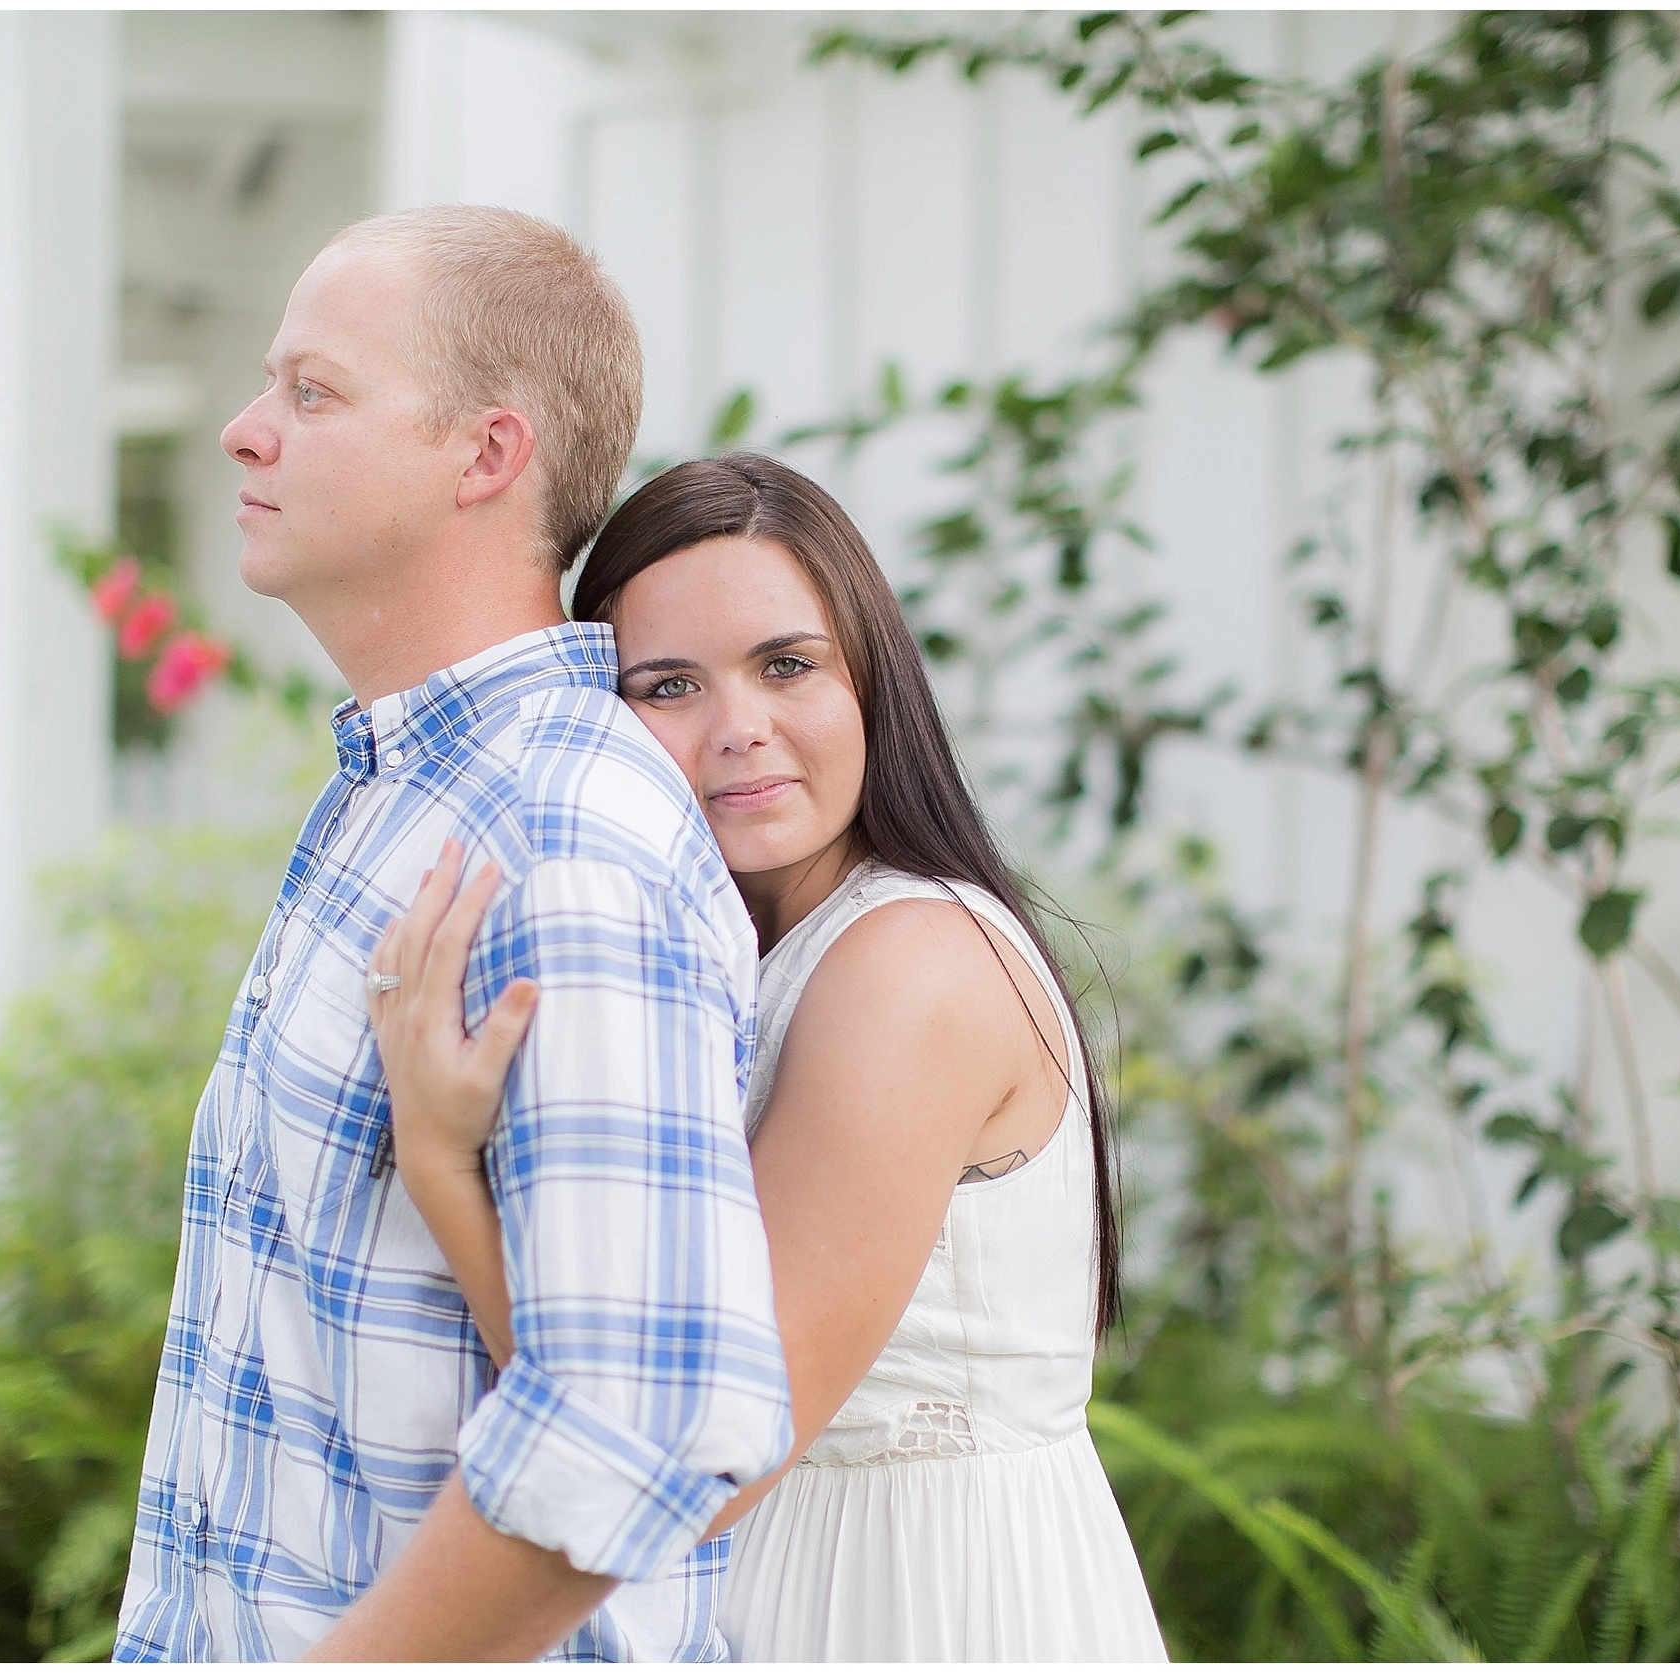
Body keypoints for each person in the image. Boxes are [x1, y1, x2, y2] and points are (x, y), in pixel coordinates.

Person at [111, 209, 792, 1663]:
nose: (242, 432)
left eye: (312, 391)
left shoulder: (567, 837)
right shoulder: (402, 799)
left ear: (485, 456)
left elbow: (639, 1420)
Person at [367, 453, 1169, 1661]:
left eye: (786, 664)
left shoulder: (907, 965)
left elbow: (680, 1463)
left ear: (871, 683)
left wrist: (438, 1159)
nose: (739, 729)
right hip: (779, 1585)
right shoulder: (733, 949)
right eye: (668, 684)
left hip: (916, 1602)